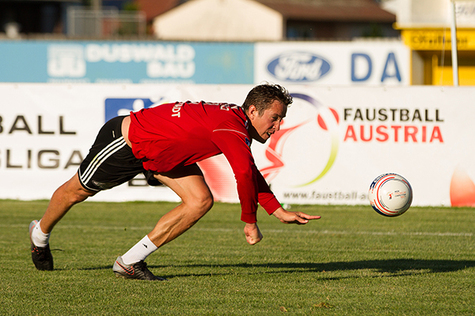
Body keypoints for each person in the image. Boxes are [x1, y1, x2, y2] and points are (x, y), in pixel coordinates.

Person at [29, 83, 321, 280]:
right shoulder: (232, 126)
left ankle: (129, 262)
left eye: (281, 120)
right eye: (275, 118)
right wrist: (249, 220)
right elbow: (243, 173)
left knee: (200, 201)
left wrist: (276, 209)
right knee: (76, 192)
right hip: (128, 142)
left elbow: (248, 169)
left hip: (163, 157)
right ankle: (39, 236)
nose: (278, 126)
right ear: (253, 111)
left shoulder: (235, 122)